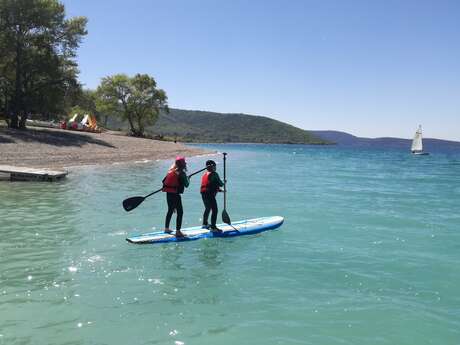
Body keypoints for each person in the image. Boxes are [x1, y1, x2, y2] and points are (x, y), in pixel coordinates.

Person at [162, 156, 189, 237]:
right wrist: (188, 179)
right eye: (184, 162)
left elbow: (164, 181)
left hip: (169, 194)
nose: (185, 163)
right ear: (182, 164)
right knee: (180, 212)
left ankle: (166, 228)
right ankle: (178, 232)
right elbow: (187, 185)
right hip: (175, 195)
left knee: (170, 210)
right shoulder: (182, 173)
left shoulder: (170, 171)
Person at [200, 160, 224, 233]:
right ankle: (213, 227)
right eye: (215, 166)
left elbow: (211, 184)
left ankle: (205, 224)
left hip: (203, 193)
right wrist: (224, 182)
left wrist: (219, 190)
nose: (215, 167)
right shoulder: (214, 174)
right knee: (215, 210)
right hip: (209, 193)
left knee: (208, 208)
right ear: (213, 167)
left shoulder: (204, 175)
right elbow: (220, 184)